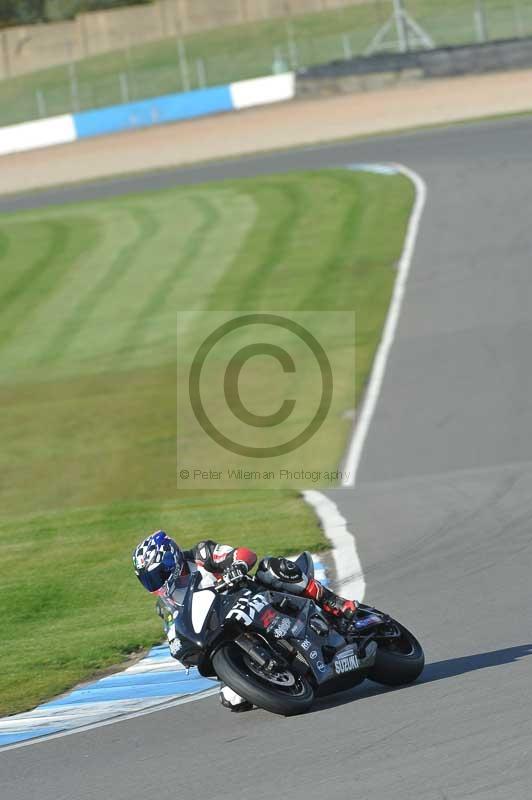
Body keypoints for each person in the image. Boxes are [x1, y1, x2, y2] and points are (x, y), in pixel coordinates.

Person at [132, 530, 357, 712]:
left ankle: (333, 601)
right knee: (233, 699)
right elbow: (175, 631)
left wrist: (236, 566)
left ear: (171, 559)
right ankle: (274, 677)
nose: (156, 583)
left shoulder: (201, 555)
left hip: (254, 596)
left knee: (271, 568)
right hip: (225, 631)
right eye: (149, 580)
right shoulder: (166, 604)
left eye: (158, 574)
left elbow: (244, 553)